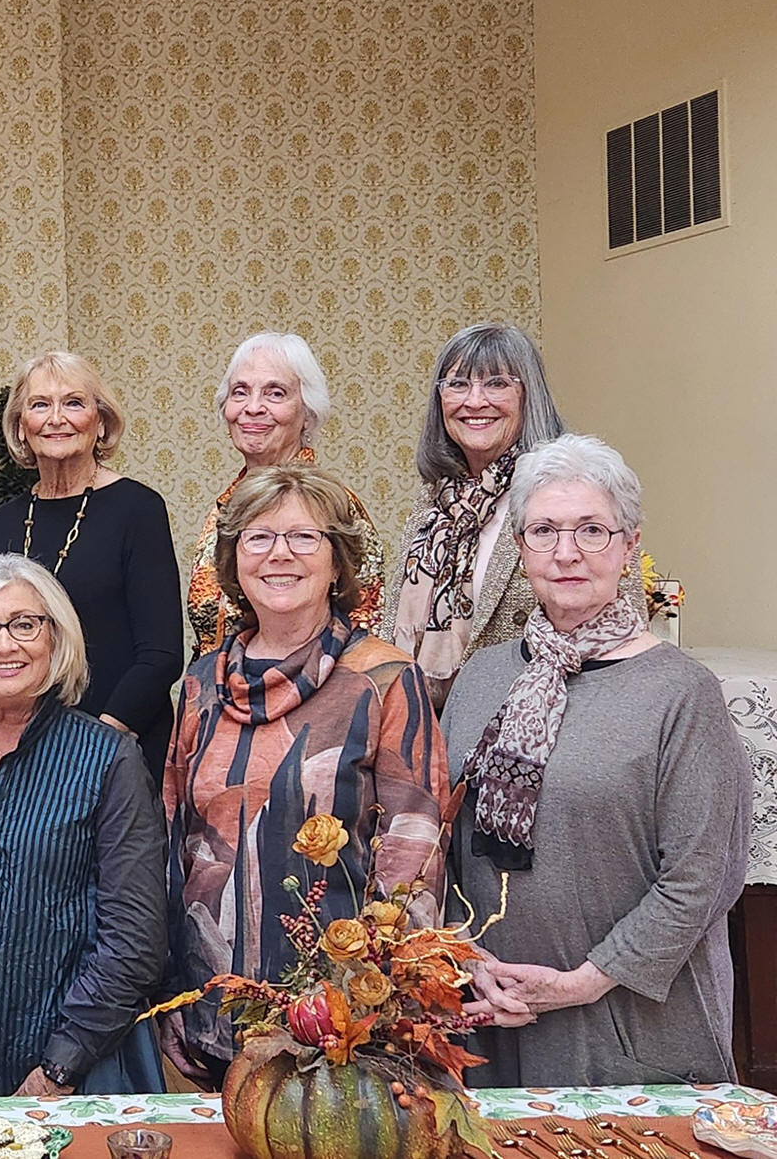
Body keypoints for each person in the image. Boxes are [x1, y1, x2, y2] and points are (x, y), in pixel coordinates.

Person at [445, 435, 750, 1087]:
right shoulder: (480, 677)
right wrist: (465, 958)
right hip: (490, 1019)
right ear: (520, 547)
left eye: (591, 529)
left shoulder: (681, 692)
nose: (567, 552)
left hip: (628, 1022)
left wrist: (585, 981)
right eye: (544, 530)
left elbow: (701, 876)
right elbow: (439, 841)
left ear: (629, 544)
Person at [163, 463, 449, 1085]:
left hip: (340, 1028)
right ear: (233, 560)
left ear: (338, 562)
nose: (279, 554)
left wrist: (375, 1000)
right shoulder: (200, 684)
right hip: (210, 1009)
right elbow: (176, 842)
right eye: (259, 537)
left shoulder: (386, 679)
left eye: (303, 537)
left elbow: (414, 857)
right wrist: (170, 992)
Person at [0, 555, 166, 1099]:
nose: (4, 645)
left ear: (55, 638)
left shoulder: (108, 758)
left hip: (82, 1073)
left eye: (24, 624)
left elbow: (134, 939)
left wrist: (59, 1068)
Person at [0, 351, 181, 782]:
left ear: (101, 422)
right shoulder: (5, 522)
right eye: (40, 405)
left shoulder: (138, 509)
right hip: (24, 751)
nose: (57, 418)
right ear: (20, 426)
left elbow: (162, 654)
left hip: (116, 745)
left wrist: (96, 743)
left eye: (73, 403)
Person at [383, 322, 570, 709]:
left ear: (529, 394)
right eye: (458, 384)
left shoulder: (565, 492)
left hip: (529, 721)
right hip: (427, 721)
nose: (474, 401)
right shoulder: (433, 501)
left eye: (497, 384)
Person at [185, 331, 384, 655]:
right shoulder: (227, 507)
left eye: (275, 393)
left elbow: (365, 628)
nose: (253, 407)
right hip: (217, 682)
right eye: (240, 392)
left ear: (308, 413)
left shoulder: (333, 507)